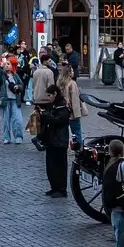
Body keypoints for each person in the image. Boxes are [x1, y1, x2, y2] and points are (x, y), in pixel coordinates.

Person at [36, 65, 72, 198]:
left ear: (55, 94)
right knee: (50, 167)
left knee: (60, 167)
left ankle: (61, 189)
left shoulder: (63, 106)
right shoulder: (52, 105)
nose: (48, 98)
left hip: (60, 141)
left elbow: (58, 121)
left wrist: (46, 115)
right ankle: (54, 187)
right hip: (51, 140)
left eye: (49, 96)